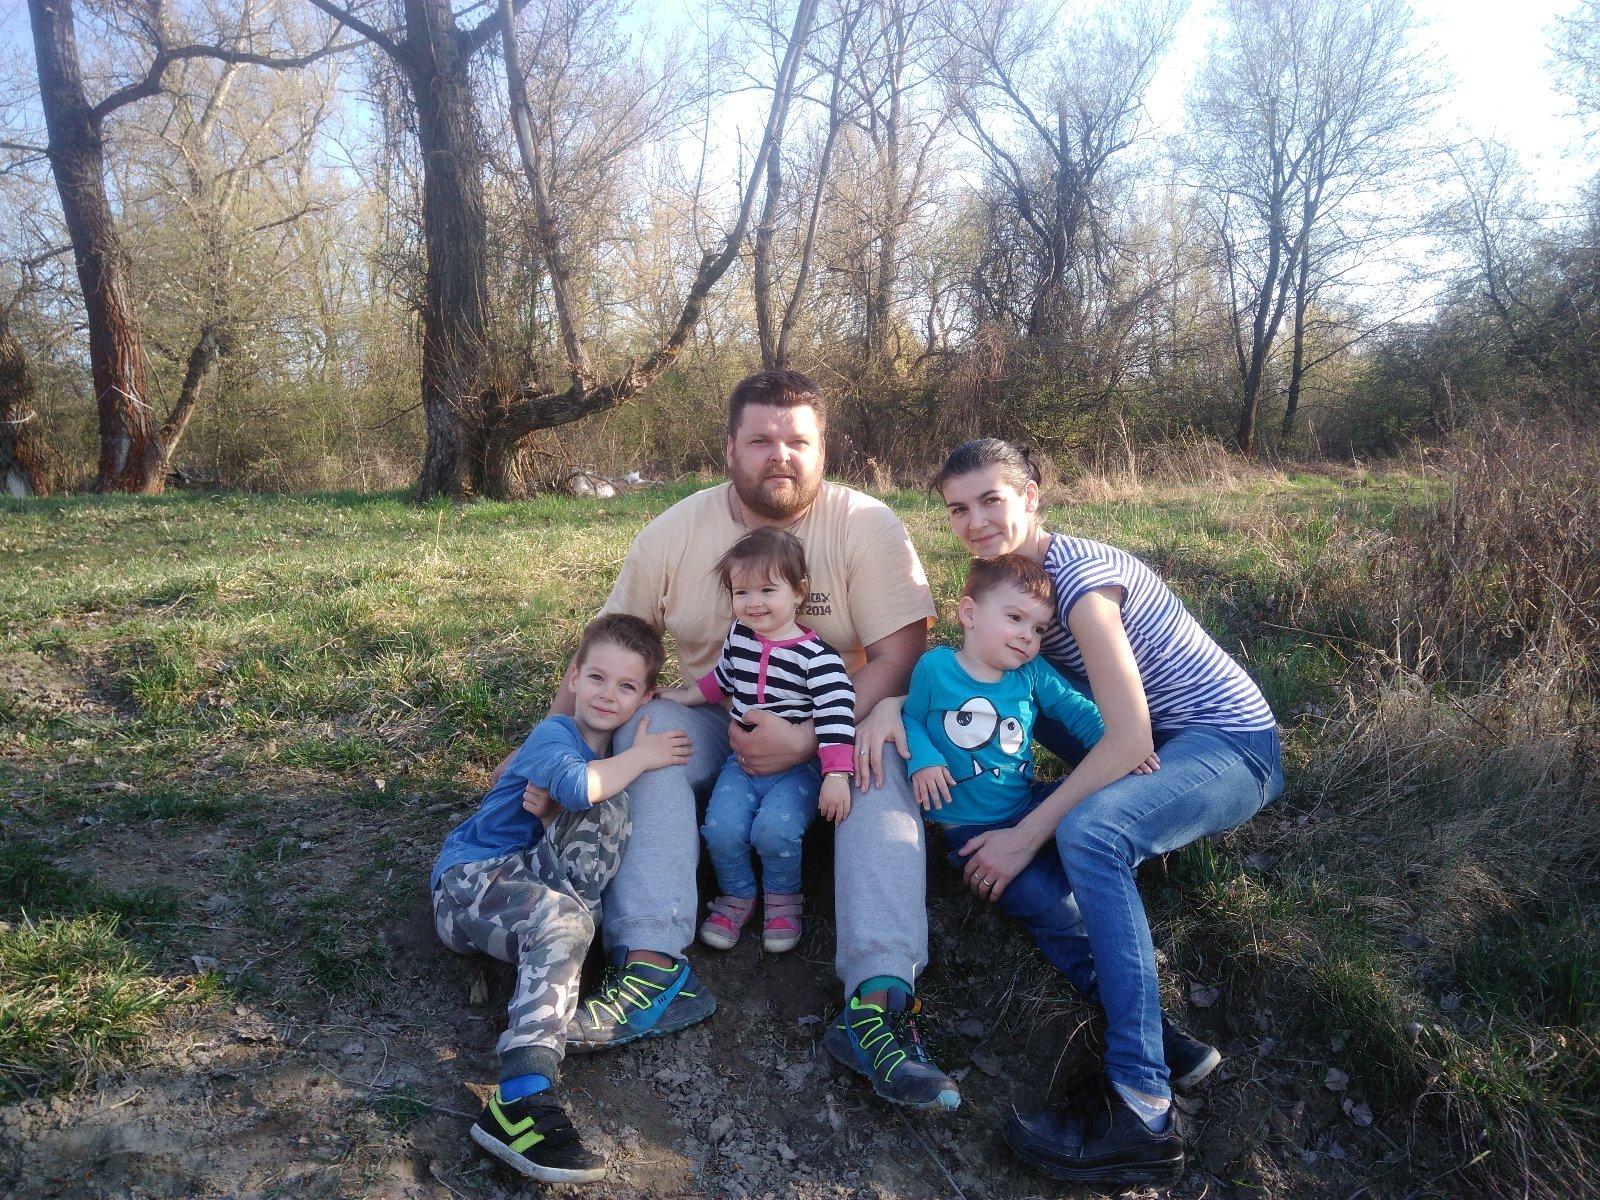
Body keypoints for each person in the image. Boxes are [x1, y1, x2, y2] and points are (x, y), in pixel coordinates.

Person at [527, 369, 962, 1112]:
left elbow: (900, 657)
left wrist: (808, 738)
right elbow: (607, 646)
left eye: (798, 441)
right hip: (717, 718)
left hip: (839, 722)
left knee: (882, 755)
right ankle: (653, 964)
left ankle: (879, 1002)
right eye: (761, 440)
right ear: (730, 448)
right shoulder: (674, 532)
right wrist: (542, 750)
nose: (780, 456)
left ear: (822, 449)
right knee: (647, 727)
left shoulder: (866, 524)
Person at [923, 438, 1286, 1188]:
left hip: (1230, 745)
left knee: (1092, 831)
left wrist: (1024, 834)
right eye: (958, 509)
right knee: (1071, 799)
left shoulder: (1083, 584)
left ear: (1031, 496)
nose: (975, 521)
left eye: (991, 499)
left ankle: (1141, 1109)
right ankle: (1158, 1035)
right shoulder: (1018, 589)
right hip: (1161, 743)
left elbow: (1128, 738)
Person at [430, 614, 690, 1182]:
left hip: (527, 888)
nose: (607, 694)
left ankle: (558, 983)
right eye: (596, 677)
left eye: (626, 686)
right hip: (470, 882)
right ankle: (519, 1099)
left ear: (646, 697)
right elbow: (577, 786)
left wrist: (555, 820)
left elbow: (582, 825)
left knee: (604, 829)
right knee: (572, 898)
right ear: (573, 677)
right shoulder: (554, 735)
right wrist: (644, 756)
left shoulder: (608, 759)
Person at [655, 527, 855, 953]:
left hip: (798, 771)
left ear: (799, 592)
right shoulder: (739, 637)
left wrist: (837, 775)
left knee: (774, 831)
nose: (753, 602)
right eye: (741, 592)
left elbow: (837, 716)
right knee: (721, 828)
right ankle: (737, 895)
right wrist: (686, 696)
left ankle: (783, 901)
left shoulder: (818, 658)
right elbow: (723, 678)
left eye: (767, 589)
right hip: (742, 763)